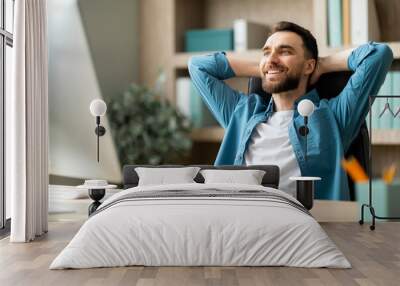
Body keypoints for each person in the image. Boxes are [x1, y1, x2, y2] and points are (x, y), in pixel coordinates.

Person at [188, 21, 393, 200]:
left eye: (285, 51)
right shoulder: (242, 112)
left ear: (308, 66)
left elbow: (378, 55)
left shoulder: (335, 116)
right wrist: (266, 67)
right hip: (238, 220)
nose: (272, 57)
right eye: (267, 51)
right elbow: (197, 66)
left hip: (302, 228)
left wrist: (322, 65)